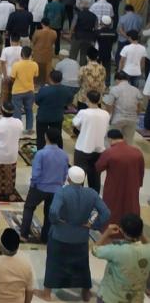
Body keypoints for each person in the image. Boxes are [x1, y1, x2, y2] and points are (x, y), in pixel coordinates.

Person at [35, 166, 110, 302]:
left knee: (54, 263)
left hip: (60, 235)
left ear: (68, 178)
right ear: (83, 180)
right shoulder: (92, 193)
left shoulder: (62, 192)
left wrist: (56, 221)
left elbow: (53, 212)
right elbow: (106, 213)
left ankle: (46, 293)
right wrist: (93, 225)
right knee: (82, 265)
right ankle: (86, 292)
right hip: (81, 237)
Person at [19, 127, 68, 243]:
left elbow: (36, 173)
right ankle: (45, 237)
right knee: (49, 213)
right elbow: (65, 173)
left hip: (40, 187)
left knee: (29, 207)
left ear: (46, 137)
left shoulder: (41, 154)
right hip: (56, 189)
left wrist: (33, 185)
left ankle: (23, 235)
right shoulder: (64, 155)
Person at [91, 214, 150, 303]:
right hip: (136, 299)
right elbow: (147, 244)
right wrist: (140, 234)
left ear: (122, 231)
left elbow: (95, 250)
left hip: (111, 298)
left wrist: (106, 233)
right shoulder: (147, 249)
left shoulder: (116, 251)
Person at [95, 128, 143, 226]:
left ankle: (110, 230)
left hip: (114, 187)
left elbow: (98, 167)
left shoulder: (110, 152)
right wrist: (138, 184)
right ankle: (132, 229)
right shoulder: (137, 152)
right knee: (130, 205)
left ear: (110, 139)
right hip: (132, 186)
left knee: (113, 208)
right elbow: (141, 171)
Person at [71, 89, 109, 192]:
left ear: (87, 99)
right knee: (95, 178)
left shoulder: (84, 112)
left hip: (83, 148)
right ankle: (93, 200)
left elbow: (75, 123)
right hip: (99, 149)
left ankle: (78, 199)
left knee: (79, 177)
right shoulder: (105, 114)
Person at [0, 102, 24, 201]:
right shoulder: (18, 122)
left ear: (2, 111)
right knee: (10, 175)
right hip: (12, 154)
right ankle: (9, 193)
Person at [34, 70, 73, 150]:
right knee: (57, 135)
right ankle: (58, 151)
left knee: (41, 137)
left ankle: (41, 153)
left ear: (50, 78)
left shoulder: (44, 90)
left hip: (43, 117)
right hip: (57, 116)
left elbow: (37, 101)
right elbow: (69, 101)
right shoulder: (66, 90)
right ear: (61, 79)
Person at [9, 46, 37, 132]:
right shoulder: (34, 64)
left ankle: (18, 129)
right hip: (30, 90)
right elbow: (35, 76)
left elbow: (12, 78)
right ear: (30, 55)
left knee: (17, 111)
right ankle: (29, 128)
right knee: (29, 110)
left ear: (21, 54)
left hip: (17, 91)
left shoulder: (16, 65)